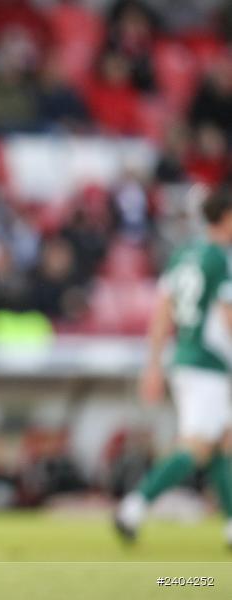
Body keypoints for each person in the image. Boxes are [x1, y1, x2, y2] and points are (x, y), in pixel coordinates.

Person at [115, 185, 232, 547]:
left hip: (186, 358)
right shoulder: (220, 258)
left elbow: (163, 311)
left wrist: (153, 364)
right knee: (196, 447)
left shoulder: (184, 254)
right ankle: (133, 507)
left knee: (223, 443)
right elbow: (227, 317)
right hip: (209, 363)